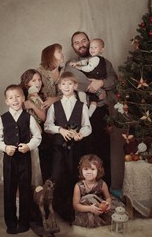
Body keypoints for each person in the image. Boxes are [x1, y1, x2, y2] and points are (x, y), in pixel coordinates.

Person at [65, 31, 118, 188]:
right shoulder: (71, 63)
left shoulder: (104, 62)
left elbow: (114, 80)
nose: (81, 44)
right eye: (76, 42)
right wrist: (92, 88)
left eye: (84, 41)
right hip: (77, 113)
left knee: (101, 152)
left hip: (99, 112)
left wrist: (101, 83)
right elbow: (67, 82)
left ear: (89, 42)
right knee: (79, 153)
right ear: (73, 46)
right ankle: (80, 194)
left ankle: (104, 193)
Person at [0, 84, 42, 234]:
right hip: (9, 160)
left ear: (23, 98)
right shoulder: (2, 119)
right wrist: (5, 148)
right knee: (9, 191)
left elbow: (38, 137)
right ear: (6, 101)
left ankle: (24, 222)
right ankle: (11, 223)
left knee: (25, 190)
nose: (15, 100)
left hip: (25, 160)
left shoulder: (29, 118)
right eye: (11, 98)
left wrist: (28, 146)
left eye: (18, 96)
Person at [44, 71, 92, 221]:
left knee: (74, 176)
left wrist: (80, 134)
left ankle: (73, 211)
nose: (66, 86)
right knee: (57, 177)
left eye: (70, 84)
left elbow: (87, 126)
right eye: (63, 84)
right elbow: (47, 125)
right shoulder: (55, 106)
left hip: (76, 149)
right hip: (59, 149)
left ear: (75, 86)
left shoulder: (81, 105)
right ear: (59, 86)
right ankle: (57, 211)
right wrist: (60, 129)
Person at [37, 43, 65, 180]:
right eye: (59, 51)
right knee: (45, 154)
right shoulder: (39, 73)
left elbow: (71, 93)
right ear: (50, 55)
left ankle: (58, 187)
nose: (62, 53)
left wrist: (55, 99)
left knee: (60, 155)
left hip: (60, 119)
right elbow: (26, 87)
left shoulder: (64, 73)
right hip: (42, 118)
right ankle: (45, 189)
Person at [69, 38, 106, 117]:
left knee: (80, 90)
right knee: (93, 100)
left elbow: (89, 67)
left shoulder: (96, 59)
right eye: (91, 47)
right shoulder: (93, 58)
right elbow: (85, 61)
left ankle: (85, 107)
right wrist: (77, 63)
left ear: (101, 50)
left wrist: (80, 68)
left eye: (95, 48)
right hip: (93, 84)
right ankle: (88, 112)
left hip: (95, 82)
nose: (92, 49)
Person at [73, 154, 112, 228]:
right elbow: (76, 206)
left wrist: (108, 204)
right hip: (85, 210)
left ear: (98, 170)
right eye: (86, 169)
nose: (89, 172)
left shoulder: (102, 184)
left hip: (99, 208)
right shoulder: (78, 186)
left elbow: (108, 198)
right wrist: (90, 209)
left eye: (93, 169)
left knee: (113, 215)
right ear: (81, 170)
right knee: (88, 217)